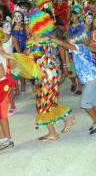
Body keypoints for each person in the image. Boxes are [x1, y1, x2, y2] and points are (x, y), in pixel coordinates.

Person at [26, 9, 75, 141]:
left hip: (46, 76)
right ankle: (67, 119)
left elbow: (30, 59)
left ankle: (53, 133)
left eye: (29, 22)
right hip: (52, 74)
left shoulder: (36, 41)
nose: (27, 25)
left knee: (44, 105)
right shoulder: (48, 38)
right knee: (49, 102)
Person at [52, 25, 96, 134]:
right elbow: (66, 46)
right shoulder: (79, 47)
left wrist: (52, 39)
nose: (67, 39)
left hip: (91, 78)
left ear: (75, 39)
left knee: (84, 103)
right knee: (93, 100)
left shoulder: (78, 47)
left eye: (69, 37)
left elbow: (65, 44)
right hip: (92, 77)